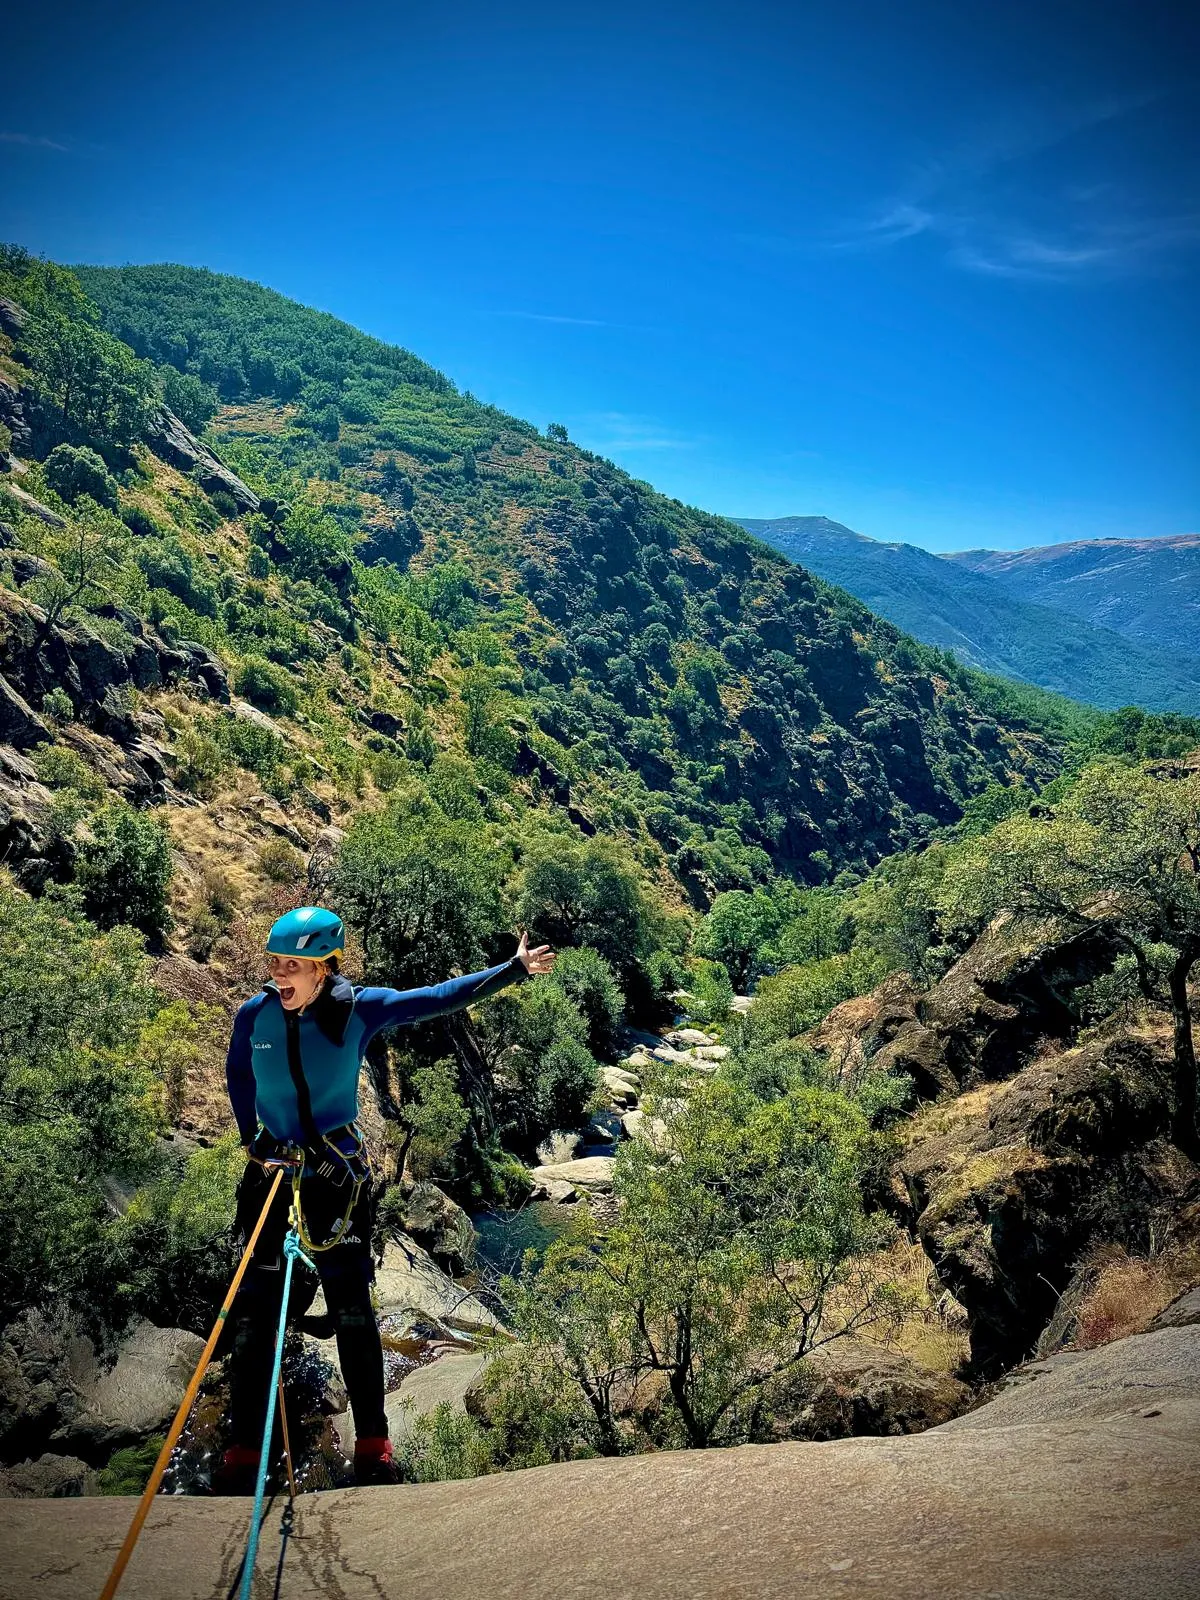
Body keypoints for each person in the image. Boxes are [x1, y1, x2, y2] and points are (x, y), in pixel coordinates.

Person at [217, 905, 555, 1492]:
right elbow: (238, 1074)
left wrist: (513, 970)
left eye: (292, 964)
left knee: (351, 1306)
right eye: (275, 963)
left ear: (324, 967)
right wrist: (252, 1140)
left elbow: (435, 998)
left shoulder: (359, 1010)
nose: (279, 974)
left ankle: (373, 1444)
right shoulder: (256, 1015)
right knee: (255, 1309)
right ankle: (246, 1446)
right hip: (271, 1170)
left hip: (334, 1172)